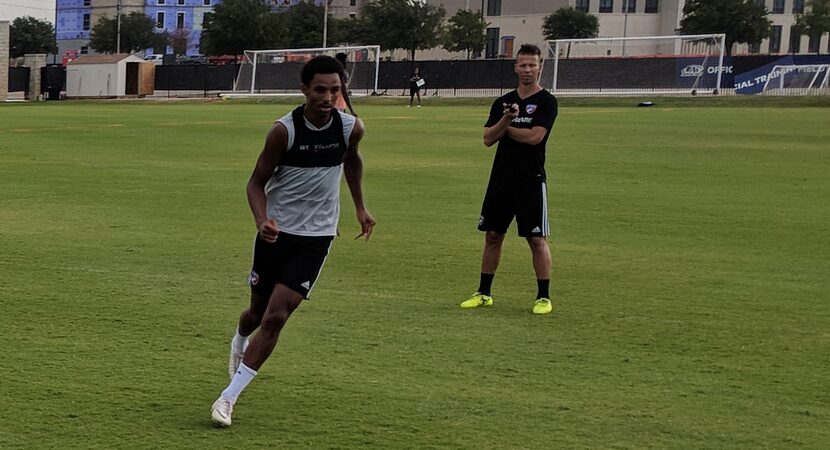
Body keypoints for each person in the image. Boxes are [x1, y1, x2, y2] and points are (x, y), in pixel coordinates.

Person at [211, 55, 376, 427]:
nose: (327, 96)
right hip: (276, 235)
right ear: (304, 90)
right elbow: (255, 182)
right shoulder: (283, 132)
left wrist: (361, 208)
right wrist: (261, 220)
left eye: (334, 90)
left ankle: (227, 398)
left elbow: (352, 162)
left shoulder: (351, 128)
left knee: (276, 316)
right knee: (255, 314)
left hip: (315, 239)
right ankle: (239, 340)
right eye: (320, 89)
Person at [460, 44, 558, 315]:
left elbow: (535, 137)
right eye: (522, 65)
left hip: (530, 179)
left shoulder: (547, 102)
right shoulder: (503, 102)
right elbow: (488, 139)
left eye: (532, 65)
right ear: (515, 67)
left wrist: (506, 127)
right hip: (501, 178)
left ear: (540, 67)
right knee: (493, 235)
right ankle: (483, 293)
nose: (527, 70)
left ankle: (543, 296)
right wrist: (506, 118)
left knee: (536, 239)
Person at [334, 52, 357, 116]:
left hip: (334, 104)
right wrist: (351, 110)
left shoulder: (332, 72)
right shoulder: (342, 73)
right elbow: (344, 91)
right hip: (338, 105)